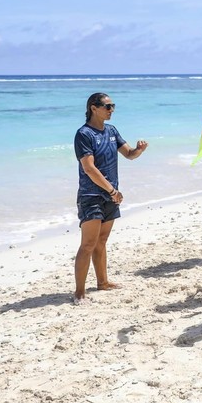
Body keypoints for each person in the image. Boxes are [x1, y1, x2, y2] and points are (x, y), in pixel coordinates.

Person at [74, 93, 148, 303]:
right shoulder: (84, 134)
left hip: (110, 195)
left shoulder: (112, 131)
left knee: (102, 242)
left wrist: (139, 150)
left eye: (112, 106)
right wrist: (112, 191)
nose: (111, 109)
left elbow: (129, 154)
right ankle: (79, 292)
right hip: (91, 195)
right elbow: (89, 168)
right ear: (93, 108)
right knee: (88, 244)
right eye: (107, 106)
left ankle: (102, 282)